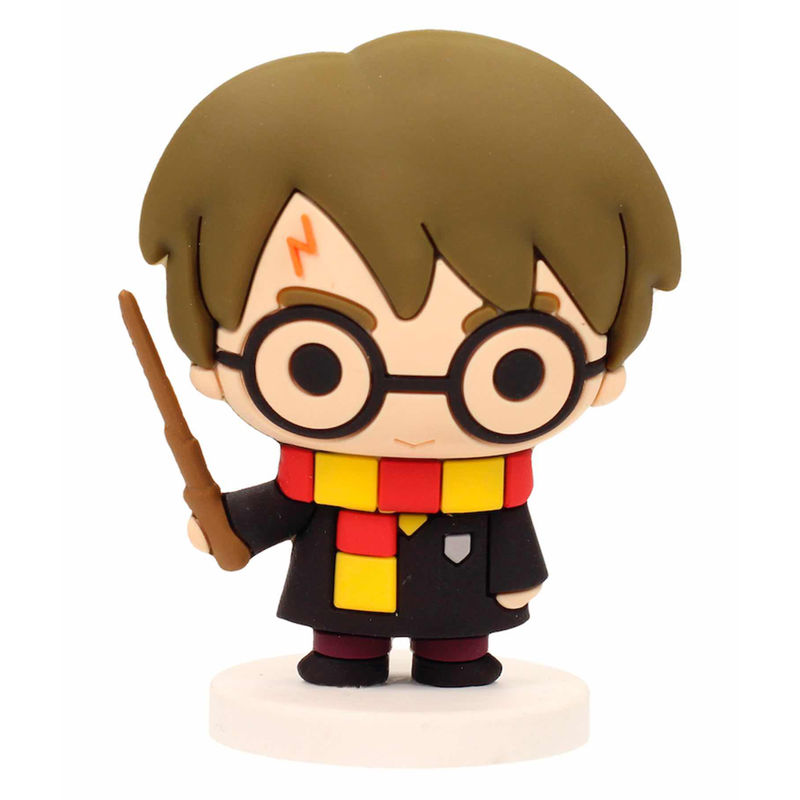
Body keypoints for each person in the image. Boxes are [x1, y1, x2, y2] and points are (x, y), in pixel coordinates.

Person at [138, 30, 680, 687]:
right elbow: (288, 504)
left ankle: (454, 654)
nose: (416, 407)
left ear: (603, 375)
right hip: (341, 589)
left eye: (515, 368)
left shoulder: (488, 484)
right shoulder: (318, 476)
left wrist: (518, 575)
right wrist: (232, 524)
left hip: (460, 590)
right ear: (213, 365)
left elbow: (508, 529)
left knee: (458, 642)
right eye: (317, 362)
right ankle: (347, 653)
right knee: (343, 639)